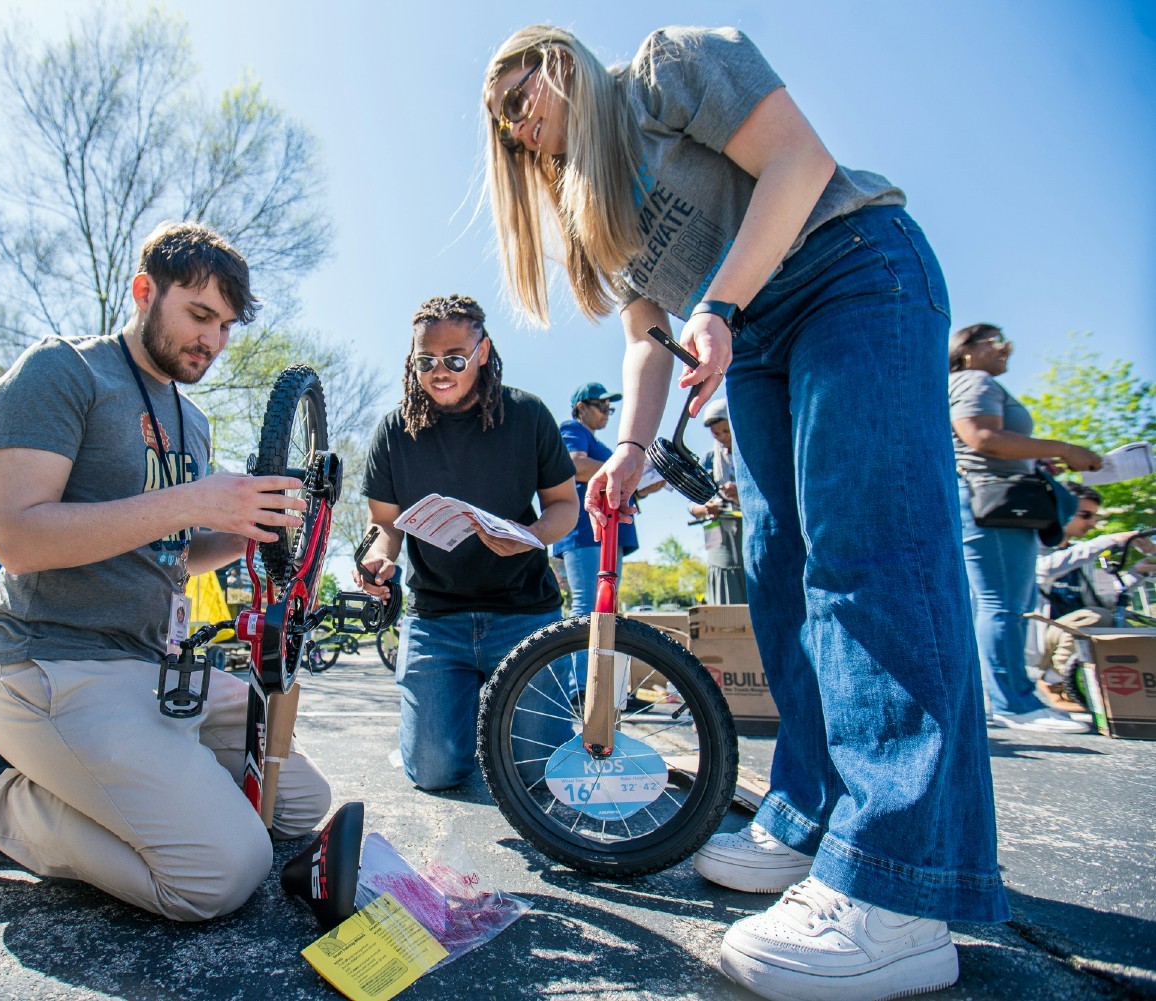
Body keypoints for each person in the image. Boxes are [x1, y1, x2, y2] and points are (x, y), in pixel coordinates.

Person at [483, 25, 1009, 999]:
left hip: (850, 269)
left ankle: (898, 889)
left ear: (564, 68)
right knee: (779, 576)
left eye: (524, 98)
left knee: (869, 556)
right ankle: (811, 815)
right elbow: (648, 340)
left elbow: (798, 163)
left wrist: (718, 303)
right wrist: (631, 452)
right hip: (757, 333)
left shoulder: (667, 70)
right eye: (505, 123)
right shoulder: (584, 202)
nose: (520, 129)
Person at [0, 221, 330, 922]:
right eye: (199, 314)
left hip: (150, 670)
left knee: (299, 803)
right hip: (50, 662)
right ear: (144, 291)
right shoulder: (62, 371)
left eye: (226, 325)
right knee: (223, 870)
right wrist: (191, 497)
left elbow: (171, 551)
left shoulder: (194, 423)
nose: (212, 340)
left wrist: (242, 526)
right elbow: (19, 538)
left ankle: (102, 771)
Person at [355, 294, 578, 791]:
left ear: (483, 351)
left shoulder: (528, 415)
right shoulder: (394, 431)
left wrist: (530, 537)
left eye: (454, 359)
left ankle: (494, 732)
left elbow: (565, 505)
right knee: (433, 773)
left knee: (539, 776)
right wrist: (376, 558)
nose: (439, 371)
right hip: (437, 621)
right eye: (425, 361)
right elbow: (383, 523)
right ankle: (456, 726)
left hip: (525, 614)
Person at [948, 322, 1102, 733]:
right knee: (1003, 604)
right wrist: (1064, 449)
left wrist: (1035, 460)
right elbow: (982, 437)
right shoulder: (975, 380)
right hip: (993, 504)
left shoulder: (971, 381)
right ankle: (1014, 703)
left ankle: (993, 699)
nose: (1007, 347)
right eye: (995, 340)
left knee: (989, 604)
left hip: (988, 500)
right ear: (966, 351)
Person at [553, 381, 662, 683]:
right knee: (588, 604)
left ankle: (600, 684)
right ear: (580, 408)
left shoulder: (600, 445)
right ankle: (578, 684)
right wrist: (625, 467)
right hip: (586, 531)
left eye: (609, 408)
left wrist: (641, 484)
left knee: (607, 607)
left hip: (609, 531)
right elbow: (575, 465)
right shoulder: (572, 430)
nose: (606, 412)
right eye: (600, 406)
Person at [1033, 482, 1155, 710]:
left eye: (1094, 517)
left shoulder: (1086, 554)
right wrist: (1111, 539)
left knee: (1133, 631)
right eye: (1085, 515)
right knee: (1093, 618)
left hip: (1074, 630)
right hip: (1041, 636)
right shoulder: (1032, 546)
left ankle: (1138, 697)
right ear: (1061, 509)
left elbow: (1108, 599)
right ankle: (1055, 683)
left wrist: (1138, 572)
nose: (1091, 523)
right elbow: (1043, 570)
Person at [688, 398, 746, 604]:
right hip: (717, 531)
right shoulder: (709, 460)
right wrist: (704, 508)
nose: (722, 437)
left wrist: (743, 495)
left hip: (746, 528)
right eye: (716, 433)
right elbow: (691, 503)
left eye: (726, 431)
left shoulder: (750, 455)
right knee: (723, 573)